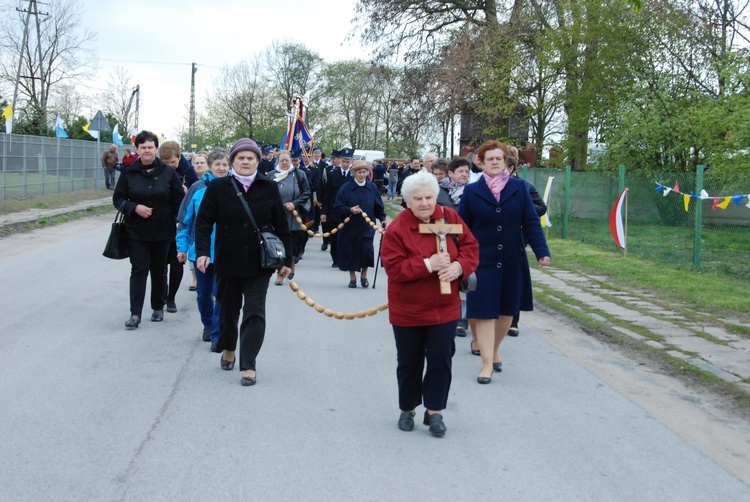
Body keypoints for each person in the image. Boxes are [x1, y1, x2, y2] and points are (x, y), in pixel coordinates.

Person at [381, 171, 479, 436]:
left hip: (444, 306)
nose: (424, 203)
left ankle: (435, 411)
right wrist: (428, 264)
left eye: (428, 197)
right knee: (409, 361)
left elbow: (471, 247)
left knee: (440, 358)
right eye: (418, 198)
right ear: (408, 201)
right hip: (408, 308)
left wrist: (459, 267)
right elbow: (394, 268)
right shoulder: (397, 229)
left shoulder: (450, 218)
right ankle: (407, 408)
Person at [195, 138, 293, 387]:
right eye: (241, 158)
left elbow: (282, 225)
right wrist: (203, 252)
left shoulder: (268, 187)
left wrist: (287, 261)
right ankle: (229, 347)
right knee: (228, 310)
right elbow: (204, 222)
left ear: (258, 162)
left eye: (251, 158)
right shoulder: (218, 188)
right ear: (232, 161)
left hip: (259, 263)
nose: (246, 162)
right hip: (227, 260)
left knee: (255, 312)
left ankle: (249, 364)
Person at [457, 140, 551, 384]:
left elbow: (531, 222)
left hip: (512, 259)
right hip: (482, 260)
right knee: (486, 312)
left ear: (507, 162)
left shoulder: (520, 189)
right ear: (482, 163)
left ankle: (495, 348)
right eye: (490, 159)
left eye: (500, 158)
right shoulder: (471, 191)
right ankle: (486, 363)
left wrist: (542, 251)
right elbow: (461, 227)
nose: (495, 162)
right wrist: (456, 255)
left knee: (507, 313)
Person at [113, 130, 184, 328]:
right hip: (136, 230)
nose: (146, 151)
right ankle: (135, 314)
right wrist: (134, 207)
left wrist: (178, 223)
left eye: (150, 147)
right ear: (137, 149)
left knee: (159, 269)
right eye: (142, 147)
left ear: (156, 149)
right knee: (139, 269)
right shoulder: (129, 172)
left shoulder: (168, 172)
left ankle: (158, 307)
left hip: (163, 230)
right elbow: (118, 198)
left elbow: (178, 200)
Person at [176, 149, 229, 352]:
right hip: (201, 252)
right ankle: (208, 324)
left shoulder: (235, 187)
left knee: (222, 294)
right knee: (203, 294)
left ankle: (217, 334)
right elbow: (185, 222)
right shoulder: (197, 189)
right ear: (210, 165)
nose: (221, 168)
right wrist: (182, 248)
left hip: (225, 252)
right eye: (218, 164)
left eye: (225, 164)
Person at [505, 145, 547, 337]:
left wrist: (522, 210)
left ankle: (513, 321)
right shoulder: (482, 187)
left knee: (515, 280)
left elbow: (540, 208)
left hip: (516, 238)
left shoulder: (525, 187)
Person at [333, 159, 387, 288]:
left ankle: (364, 275)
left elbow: (378, 206)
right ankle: (352, 277)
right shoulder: (346, 188)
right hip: (350, 226)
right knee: (351, 251)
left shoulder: (372, 187)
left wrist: (383, 219)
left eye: (364, 172)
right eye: (359, 172)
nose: (362, 175)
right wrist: (349, 209)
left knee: (366, 251)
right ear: (354, 173)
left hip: (367, 226)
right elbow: (337, 207)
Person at [267, 150, 311, 285]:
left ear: (291, 160)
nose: (285, 163)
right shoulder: (271, 175)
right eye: (282, 160)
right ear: (278, 161)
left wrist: (294, 204)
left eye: (287, 160)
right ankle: (280, 273)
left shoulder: (299, 174)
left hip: (293, 216)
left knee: (291, 245)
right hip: (276, 216)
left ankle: (290, 263)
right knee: (278, 245)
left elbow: (306, 192)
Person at [441, 156, 472, 339]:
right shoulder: (439, 191)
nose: (464, 175)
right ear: (450, 173)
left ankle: (464, 319)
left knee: (467, 279)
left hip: (466, 240)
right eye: (460, 171)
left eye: (467, 171)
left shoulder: (473, 191)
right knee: (450, 279)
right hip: (445, 241)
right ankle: (454, 317)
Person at [159, 141, 188, 313]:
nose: (170, 166)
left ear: (179, 158)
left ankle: (171, 297)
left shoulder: (187, 172)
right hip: (161, 223)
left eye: (173, 162)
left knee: (177, 262)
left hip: (180, 224)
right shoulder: (156, 172)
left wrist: (186, 191)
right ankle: (161, 295)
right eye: (166, 163)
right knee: (160, 263)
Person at [321, 148, 354, 266]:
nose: (345, 164)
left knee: (347, 236)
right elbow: (327, 194)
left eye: (348, 161)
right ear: (340, 160)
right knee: (334, 236)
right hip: (334, 210)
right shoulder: (333, 174)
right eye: (343, 161)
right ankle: (335, 259)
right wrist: (324, 212)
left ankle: (345, 258)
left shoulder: (353, 175)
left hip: (349, 210)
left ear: (351, 161)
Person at [186, 152, 210, 292]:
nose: (199, 165)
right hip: (194, 221)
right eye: (197, 163)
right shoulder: (192, 181)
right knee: (194, 249)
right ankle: (195, 279)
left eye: (202, 163)